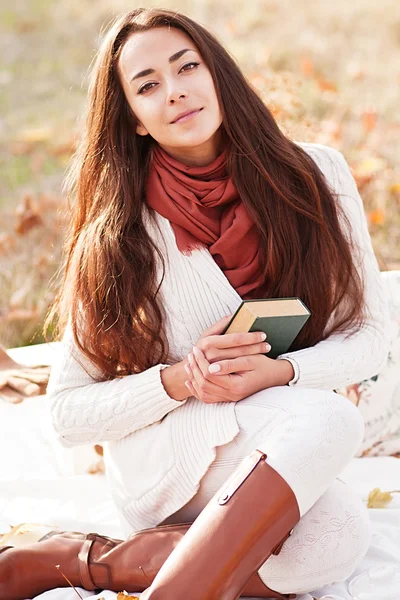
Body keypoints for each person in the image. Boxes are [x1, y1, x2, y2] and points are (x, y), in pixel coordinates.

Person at [0, 7, 391, 600]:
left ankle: (85, 561)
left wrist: (283, 371)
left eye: (187, 68)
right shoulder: (118, 233)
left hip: (276, 439)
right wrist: (181, 380)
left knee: (336, 538)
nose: (176, 92)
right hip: (168, 455)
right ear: (131, 118)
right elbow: (67, 415)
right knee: (330, 417)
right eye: (148, 85)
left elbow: (368, 336)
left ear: (217, 75)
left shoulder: (318, 175)